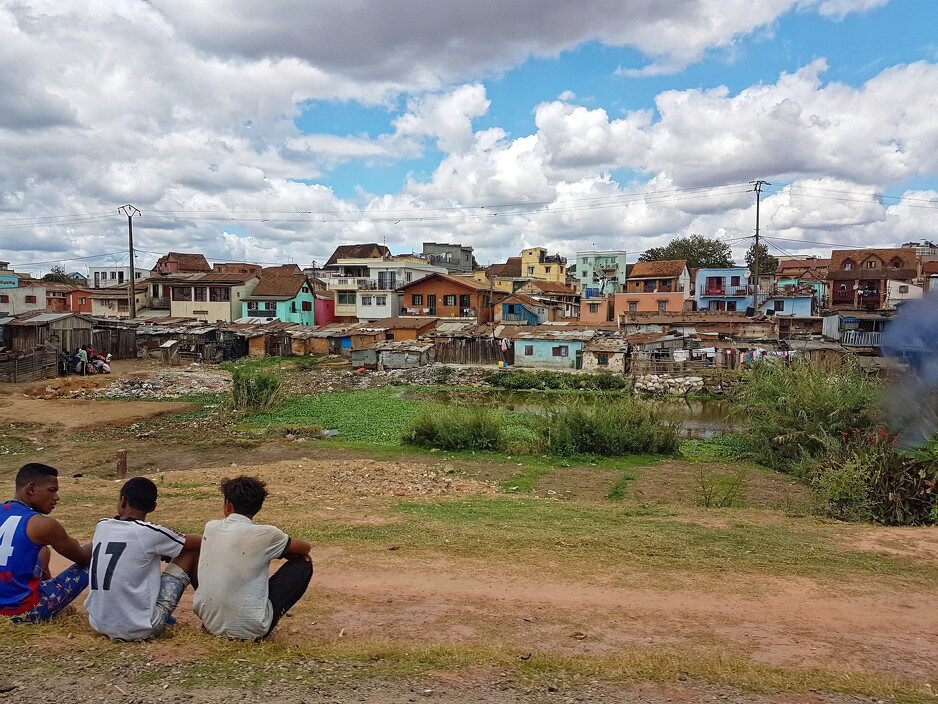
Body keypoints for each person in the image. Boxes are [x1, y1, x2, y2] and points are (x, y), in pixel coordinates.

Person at [193, 476, 312, 640]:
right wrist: (286, 551)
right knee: (302, 565)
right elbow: (305, 548)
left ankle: (218, 623)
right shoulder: (267, 534)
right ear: (259, 507)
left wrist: (283, 550)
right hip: (252, 629)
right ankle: (260, 627)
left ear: (228, 505)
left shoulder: (211, 527)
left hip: (209, 621)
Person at [84, 477, 201, 640]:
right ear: (153, 507)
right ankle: (208, 615)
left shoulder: (102, 525)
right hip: (140, 628)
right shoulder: (151, 532)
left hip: (98, 623)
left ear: (123, 501)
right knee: (190, 552)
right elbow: (199, 542)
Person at [0, 463, 91, 621]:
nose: (56, 497)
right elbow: (83, 557)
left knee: (42, 550)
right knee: (95, 561)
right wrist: (104, 537)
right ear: (31, 489)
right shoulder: (43, 524)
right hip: (24, 612)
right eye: (52, 490)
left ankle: (43, 586)